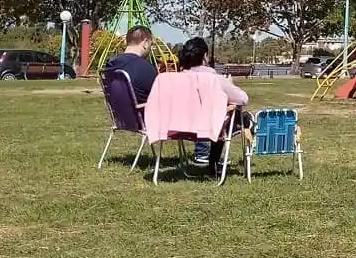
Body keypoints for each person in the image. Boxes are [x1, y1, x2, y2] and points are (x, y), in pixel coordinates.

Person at [176, 36, 251, 175]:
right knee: (232, 116)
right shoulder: (215, 79)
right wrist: (230, 84)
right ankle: (213, 162)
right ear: (205, 56)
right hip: (212, 127)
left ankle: (207, 159)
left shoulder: (177, 78)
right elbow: (243, 99)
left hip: (182, 126)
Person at [104, 26, 159, 104]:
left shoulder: (110, 65)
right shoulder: (146, 69)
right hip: (143, 111)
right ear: (146, 43)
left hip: (119, 111)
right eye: (151, 44)